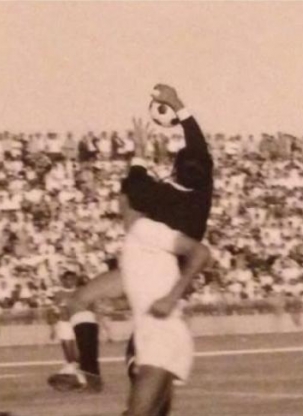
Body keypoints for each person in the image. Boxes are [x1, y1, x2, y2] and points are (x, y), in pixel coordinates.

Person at [68, 84, 215, 415]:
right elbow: (197, 144)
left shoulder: (156, 194)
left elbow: (131, 189)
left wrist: (139, 151)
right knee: (146, 369)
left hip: (156, 267)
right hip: (158, 268)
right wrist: (178, 105)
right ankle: (93, 372)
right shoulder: (201, 193)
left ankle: (89, 369)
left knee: (80, 301)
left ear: (174, 167)